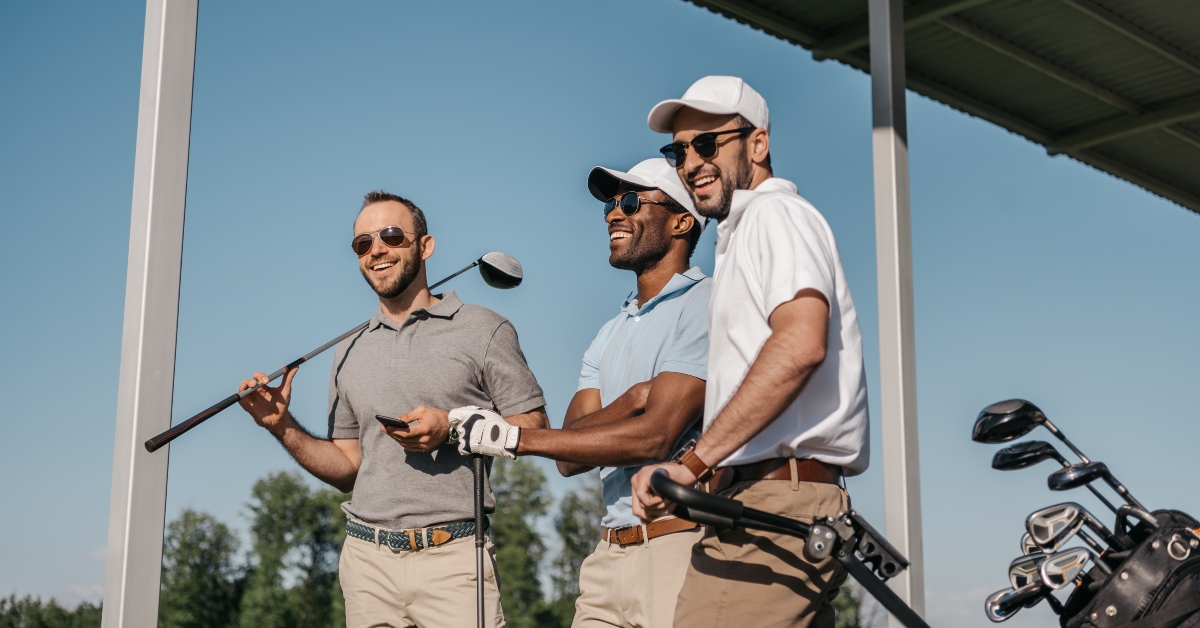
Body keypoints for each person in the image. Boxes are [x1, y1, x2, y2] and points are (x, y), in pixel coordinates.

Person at [235, 190, 549, 628]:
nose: (376, 249)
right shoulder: (348, 349)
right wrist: (281, 425)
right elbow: (348, 467)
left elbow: (532, 428)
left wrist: (453, 426)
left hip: (454, 558)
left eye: (390, 236)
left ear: (425, 246)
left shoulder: (485, 328)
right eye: (363, 243)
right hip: (366, 564)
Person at [630, 75, 870, 628]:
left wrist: (691, 464)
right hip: (765, 501)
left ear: (757, 144)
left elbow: (800, 342)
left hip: (773, 504)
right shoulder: (741, 233)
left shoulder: (774, 215)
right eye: (679, 150)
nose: (691, 163)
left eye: (708, 144)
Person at [460, 158, 711, 628]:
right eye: (611, 205)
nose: (615, 213)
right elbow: (571, 455)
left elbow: (655, 438)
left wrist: (513, 438)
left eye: (632, 201)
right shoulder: (608, 333)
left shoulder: (708, 302)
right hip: (608, 557)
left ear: (681, 221)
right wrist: (635, 398)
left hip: (681, 546)